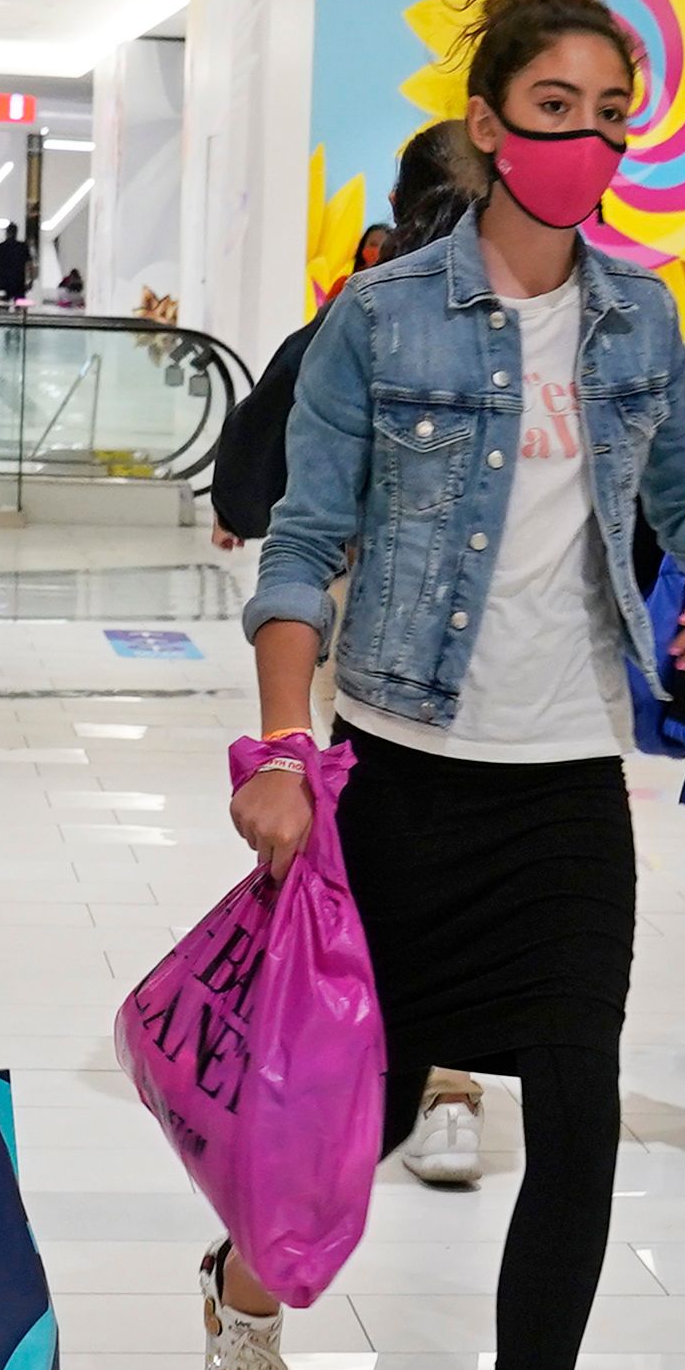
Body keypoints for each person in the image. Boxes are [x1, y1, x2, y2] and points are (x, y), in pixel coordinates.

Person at [222, 0, 685, 1370]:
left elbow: (678, 487)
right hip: (400, 765)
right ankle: (243, 1289)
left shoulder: (637, 315)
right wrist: (273, 745)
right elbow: (304, 537)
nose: (586, 147)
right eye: (555, 114)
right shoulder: (379, 320)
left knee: (581, 1120)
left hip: (565, 776)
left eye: (613, 118)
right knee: (366, 1118)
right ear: (487, 127)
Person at [209, 120, 493, 1189]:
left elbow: (246, 473)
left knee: (408, 837)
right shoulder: (377, 318)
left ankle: (403, 1066)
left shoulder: (356, 308)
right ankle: (431, 1080)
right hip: (365, 618)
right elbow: (270, 491)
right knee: (410, 835)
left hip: (390, 620)